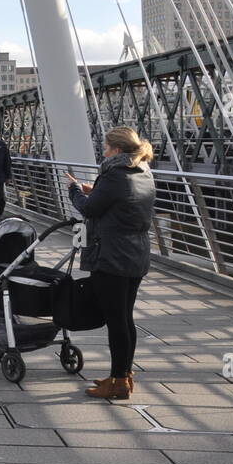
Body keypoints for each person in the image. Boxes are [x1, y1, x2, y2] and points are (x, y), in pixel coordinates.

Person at [64, 127, 156, 401]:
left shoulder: (114, 174)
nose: (103, 152)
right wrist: (95, 190)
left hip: (112, 257)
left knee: (116, 322)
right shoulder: (143, 171)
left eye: (105, 147)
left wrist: (74, 191)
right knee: (125, 319)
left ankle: (117, 384)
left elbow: (89, 209)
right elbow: (124, 202)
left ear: (116, 150)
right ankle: (124, 376)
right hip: (137, 255)